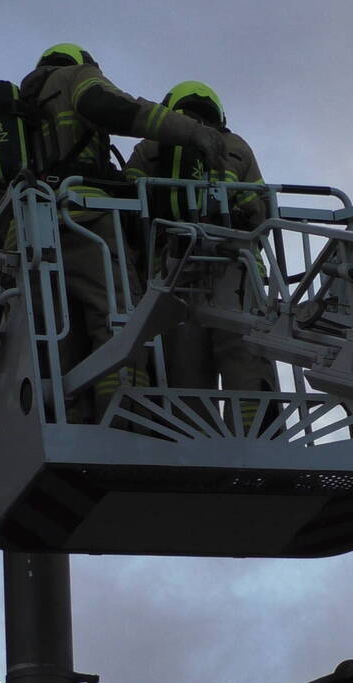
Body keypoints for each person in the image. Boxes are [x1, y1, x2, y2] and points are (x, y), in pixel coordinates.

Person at [12, 45, 226, 422]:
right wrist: (190, 132)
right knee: (119, 321)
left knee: (61, 333)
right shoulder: (74, 79)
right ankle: (125, 417)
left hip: (30, 234)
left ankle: (72, 419)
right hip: (86, 217)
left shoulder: (21, 106)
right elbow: (113, 108)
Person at [125, 81, 278, 433]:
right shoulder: (237, 146)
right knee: (246, 353)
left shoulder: (151, 146)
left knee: (185, 369)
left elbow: (128, 204)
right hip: (237, 267)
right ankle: (259, 434)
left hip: (172, 269)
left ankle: (193, 438)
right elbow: (261, 211)